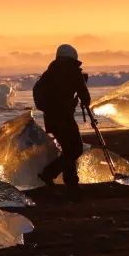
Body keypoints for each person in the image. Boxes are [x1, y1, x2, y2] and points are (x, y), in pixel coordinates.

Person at [32, 44, 93, 186]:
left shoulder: (49, 73)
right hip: (64, 117)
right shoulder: (73, 70)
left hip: (51, 118)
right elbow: (84, 95)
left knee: (68, 149)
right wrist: (83, 98)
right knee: (75, 148)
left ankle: (71, 181)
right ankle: (49, 173)